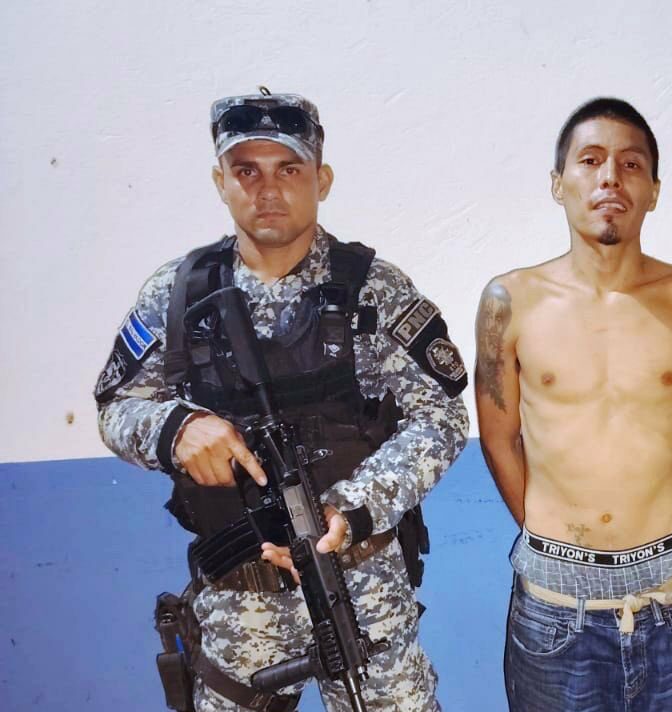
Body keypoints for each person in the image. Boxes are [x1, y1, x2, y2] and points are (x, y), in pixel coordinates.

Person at [94, 89, 469, 712]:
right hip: (239, 605)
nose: (267, 190)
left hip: (362, 590)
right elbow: (116, 406)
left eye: (288, 170)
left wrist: (355, 506)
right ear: (221, 182)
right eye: (247, 171)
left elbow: (442, 417)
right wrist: (175, 429)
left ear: (321, 179)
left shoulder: (374, 289)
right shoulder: (177, 293)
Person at [474, 97, 672, 711]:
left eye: (631, 164)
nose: (610, 177)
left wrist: (651, 522)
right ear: (558, 184)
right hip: (554, 609)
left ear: (653, 191)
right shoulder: (510, 301)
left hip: (671, 601)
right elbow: (499, 437)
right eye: (590, 161)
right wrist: (552, 540)